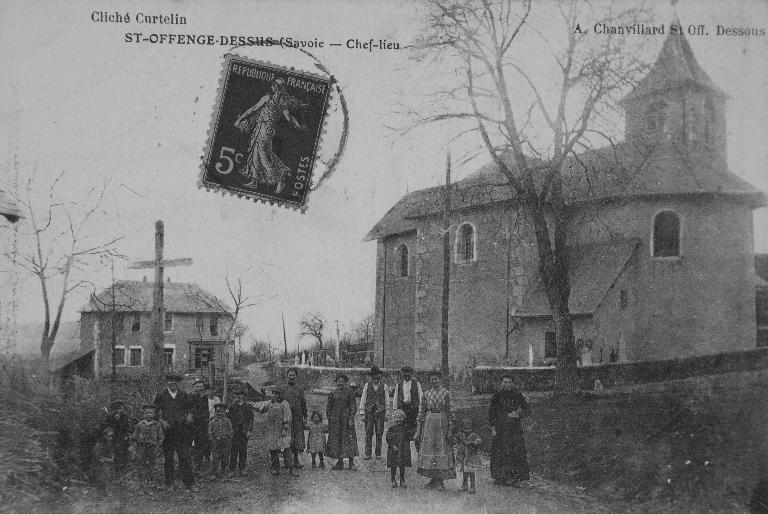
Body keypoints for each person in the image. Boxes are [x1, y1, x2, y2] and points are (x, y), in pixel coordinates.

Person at [234, 77, 307, 193]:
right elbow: (254, 109)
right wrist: (297, 125)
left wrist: (297, 125)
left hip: (266, 129)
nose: (272, 86)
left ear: (278, 88)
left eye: (274, 85)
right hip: (260, 128)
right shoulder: (276, 101)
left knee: (262, 152)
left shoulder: (273, 100)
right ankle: (254, 180)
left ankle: (280, 175)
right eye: (273, 84)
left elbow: (253, 109)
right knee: (255, 152)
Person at [154, 373, 197, 492]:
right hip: (167, 431)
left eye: (175, 381)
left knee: (185, 457)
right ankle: (169, 484)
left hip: (181, 430)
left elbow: (191, 408)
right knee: (168, 459)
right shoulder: (161, 395)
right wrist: (162, 421)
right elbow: (154, 412)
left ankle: (190, 483)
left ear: (179, 383)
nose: (173, 383)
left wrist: (189, 416)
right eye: (170, 380)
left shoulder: (184, 395)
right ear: (167, 382)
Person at [415, 370, 456, 490]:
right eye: (432, 379)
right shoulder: (426, 394)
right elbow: (421, 411)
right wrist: (419, 429)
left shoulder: (446, 393)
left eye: (436, 379)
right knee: (431, 452)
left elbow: (451, 412)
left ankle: (440, 482)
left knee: (441, 451)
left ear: (440, 380)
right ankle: (433, 480)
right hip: (429, 424)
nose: (434, 381)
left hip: (442, 423)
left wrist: (450, 428)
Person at [489, 375, 531, 486]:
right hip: (500, 428)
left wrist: (518, 414)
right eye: (505, 382)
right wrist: (493, 428)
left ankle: (514, 478)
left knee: (514, 452)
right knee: (500, 452)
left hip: (514, 428)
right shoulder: (497, 396)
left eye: (509, 382)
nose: (507, 384)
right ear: (501, 383)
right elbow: (491, 413)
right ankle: (500, 476)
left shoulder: (517, 395)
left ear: (512, 384)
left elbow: (527, 409)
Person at [251, 387, 295, 476]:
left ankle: (291, 468)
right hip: (273, 430)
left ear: (282, 395)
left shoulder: (284, 404)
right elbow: (262, 409)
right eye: (274, 394)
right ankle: (276, 468)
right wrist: (253, 406)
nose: (276, 396)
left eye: (278, 394)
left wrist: (285, 429)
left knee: (285, 449)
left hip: (282, 430)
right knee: (273, 450)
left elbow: (288, 418)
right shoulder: (270, 403)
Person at [326, 374, 359, 470]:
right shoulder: (333, 393)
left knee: (349, 440)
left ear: (345, 382)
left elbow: (353, 406)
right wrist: (330, 420)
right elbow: (329, 408)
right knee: (338, 440)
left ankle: (351, 463)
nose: (340, 383)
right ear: (336, 382)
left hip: (346, 420)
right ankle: (340, 462)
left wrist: (351, 418)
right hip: (336, 421)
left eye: (342, 381)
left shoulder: (350, 392)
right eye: (339, 381)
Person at [359, 366, 390, 460]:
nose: (376, 378)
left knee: (379, 432)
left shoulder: (384, 386)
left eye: (377, 376)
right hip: (369, 411)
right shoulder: (367, 385)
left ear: (380, 376)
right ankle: (368, 453)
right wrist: (362, 412)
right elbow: (363, 398)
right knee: (368, 432)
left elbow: (387, 400)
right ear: (371, 377)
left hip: (380, 412)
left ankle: (378, 453)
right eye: (373, 376)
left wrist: (387, 413)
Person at [391, 366, 423, 451]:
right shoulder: (399, 384)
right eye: (404, 372)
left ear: (411, 373)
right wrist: (395, 410)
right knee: (403, 432)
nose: (406, 374)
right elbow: (396, 397)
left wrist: (420, 410)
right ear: (402, 373)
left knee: (416, 431)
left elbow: (421, 397)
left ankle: (419, 452)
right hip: (403, 410)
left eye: (408, 372)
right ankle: (405, 455)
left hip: (413, 410)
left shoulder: (416, 383)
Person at [134, 404, 164, 491]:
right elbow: (135, 436)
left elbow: (161, 437)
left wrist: (158, 444)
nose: (149, 414)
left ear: (154, 414)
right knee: (141, 464)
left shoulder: (157, 424)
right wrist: (136, 444)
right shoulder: (140, 424)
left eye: (151, 413)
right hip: (141, 447)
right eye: (147, 413)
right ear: (143, 414)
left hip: (152, 447)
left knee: (153, 464)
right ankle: (141, 483)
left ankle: (153, 483)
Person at [283, 368, 308, 468]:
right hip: (286, 417)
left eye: (293, 375)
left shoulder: (300, 389)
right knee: (287, 438)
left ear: (296, 377)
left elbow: (303, 403)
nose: (292, 377)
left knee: (297, 439)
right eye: (290, 375)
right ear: (287, 376)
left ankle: (296, 460)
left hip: (297, 417)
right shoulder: (283, 388)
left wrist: (305, 417)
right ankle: (287, 461)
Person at [99, 400, 132, 474]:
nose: (119, 411)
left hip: (123, 438)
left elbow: (128, 427)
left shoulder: (125, 417)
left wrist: (126, 435)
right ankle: (115, 471)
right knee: (115, 454)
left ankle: (123, 470)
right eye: (116, 409)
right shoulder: (110, 417)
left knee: (124, 454)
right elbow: (106, 425)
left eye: (120, 409)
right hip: (113, 438)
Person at [227, 389, 254, 477]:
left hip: (244, 431)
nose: (238, 396)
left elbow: (251, 419)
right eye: (236, 394)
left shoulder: (247, 406)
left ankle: (242, 469)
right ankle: (231, 469)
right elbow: (227, 418)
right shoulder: (231, 406)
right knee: (233, 451)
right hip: (234, 431)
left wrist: (249, 430)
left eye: (239, 394)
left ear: (243, 395)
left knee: (243, 450)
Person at [454, 419, 482, 494]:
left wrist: (474, 443)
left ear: (472, 428)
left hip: (470, 456)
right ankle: (465, 484)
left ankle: (472, 486)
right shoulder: (460, 435)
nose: (466, 430)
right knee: (464, 471)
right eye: (465, 428)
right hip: (462, 456)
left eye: (469, 428)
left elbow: (479, 441)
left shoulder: (474, 435)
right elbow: (454, 439)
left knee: (471, 471)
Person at [385, 409, 411, 489]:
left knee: (402, 466)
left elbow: (408, 438)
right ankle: (393, 480)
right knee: (393, 465)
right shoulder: (391, 429)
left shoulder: (405, 428)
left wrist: (406, 447)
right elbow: (388, 438)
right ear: (394, 418)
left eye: (400, 418)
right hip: (394, 450)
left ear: (403, 418)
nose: (399, 419)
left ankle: (402, 480)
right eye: (397, 418)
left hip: (402, 450)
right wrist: (393, 446)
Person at [190, 379, 211, 473]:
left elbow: (206, 412)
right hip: (192, 426)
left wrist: (206, 422)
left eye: (201, 386)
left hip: (203, 426)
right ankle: (190, 466)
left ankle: (197, 467)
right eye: (197, 386)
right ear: (194, 387)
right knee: (192, 446)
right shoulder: (190, 397)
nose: (199, 388)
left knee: (202, 445)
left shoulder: (205, 398)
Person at [208, 403, 233, 479]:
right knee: (215, 457)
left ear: (225, 412)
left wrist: (227, 438)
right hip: (216, 442)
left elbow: (231, 431)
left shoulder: (227, 421)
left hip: (225, 441)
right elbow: (209, 431)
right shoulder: (212, 422)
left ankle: (223, 471)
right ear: (215, 412)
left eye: (222, 412)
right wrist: (213, 439)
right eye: (218, 412)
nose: (220, 414)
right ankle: (214, 473)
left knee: (225, 457)